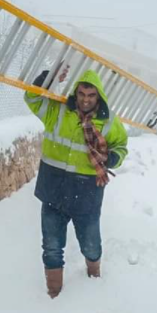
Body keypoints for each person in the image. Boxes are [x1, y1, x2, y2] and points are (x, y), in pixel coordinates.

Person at [24, 66, 128, 298]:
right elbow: (31, 97)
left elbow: (121, 147)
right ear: (75, 92)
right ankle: (53, 294)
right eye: (81, 94)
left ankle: (94, 277)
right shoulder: (58, 111)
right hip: (53, 191)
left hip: (87, 195)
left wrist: (111, 158)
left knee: (91, 245)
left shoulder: (109, 122)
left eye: (91, 96)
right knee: (51, 246)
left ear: (98, 95)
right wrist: (47, 77)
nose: (85, 100)